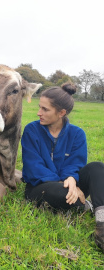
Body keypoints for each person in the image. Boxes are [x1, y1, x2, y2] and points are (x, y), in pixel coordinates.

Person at [21, 82, 104, 252]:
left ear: (61, 113)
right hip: (40, 187)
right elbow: (33, 167)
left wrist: (72, 178)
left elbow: (76, 163)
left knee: (98, 167)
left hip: (71, 185)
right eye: (39, 107)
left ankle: (102, 226)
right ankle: (85, 205)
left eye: (45, 109)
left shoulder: (77, 133)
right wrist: (66, 183)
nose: (39, 113)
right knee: (63, 192)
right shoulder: (31, 130)